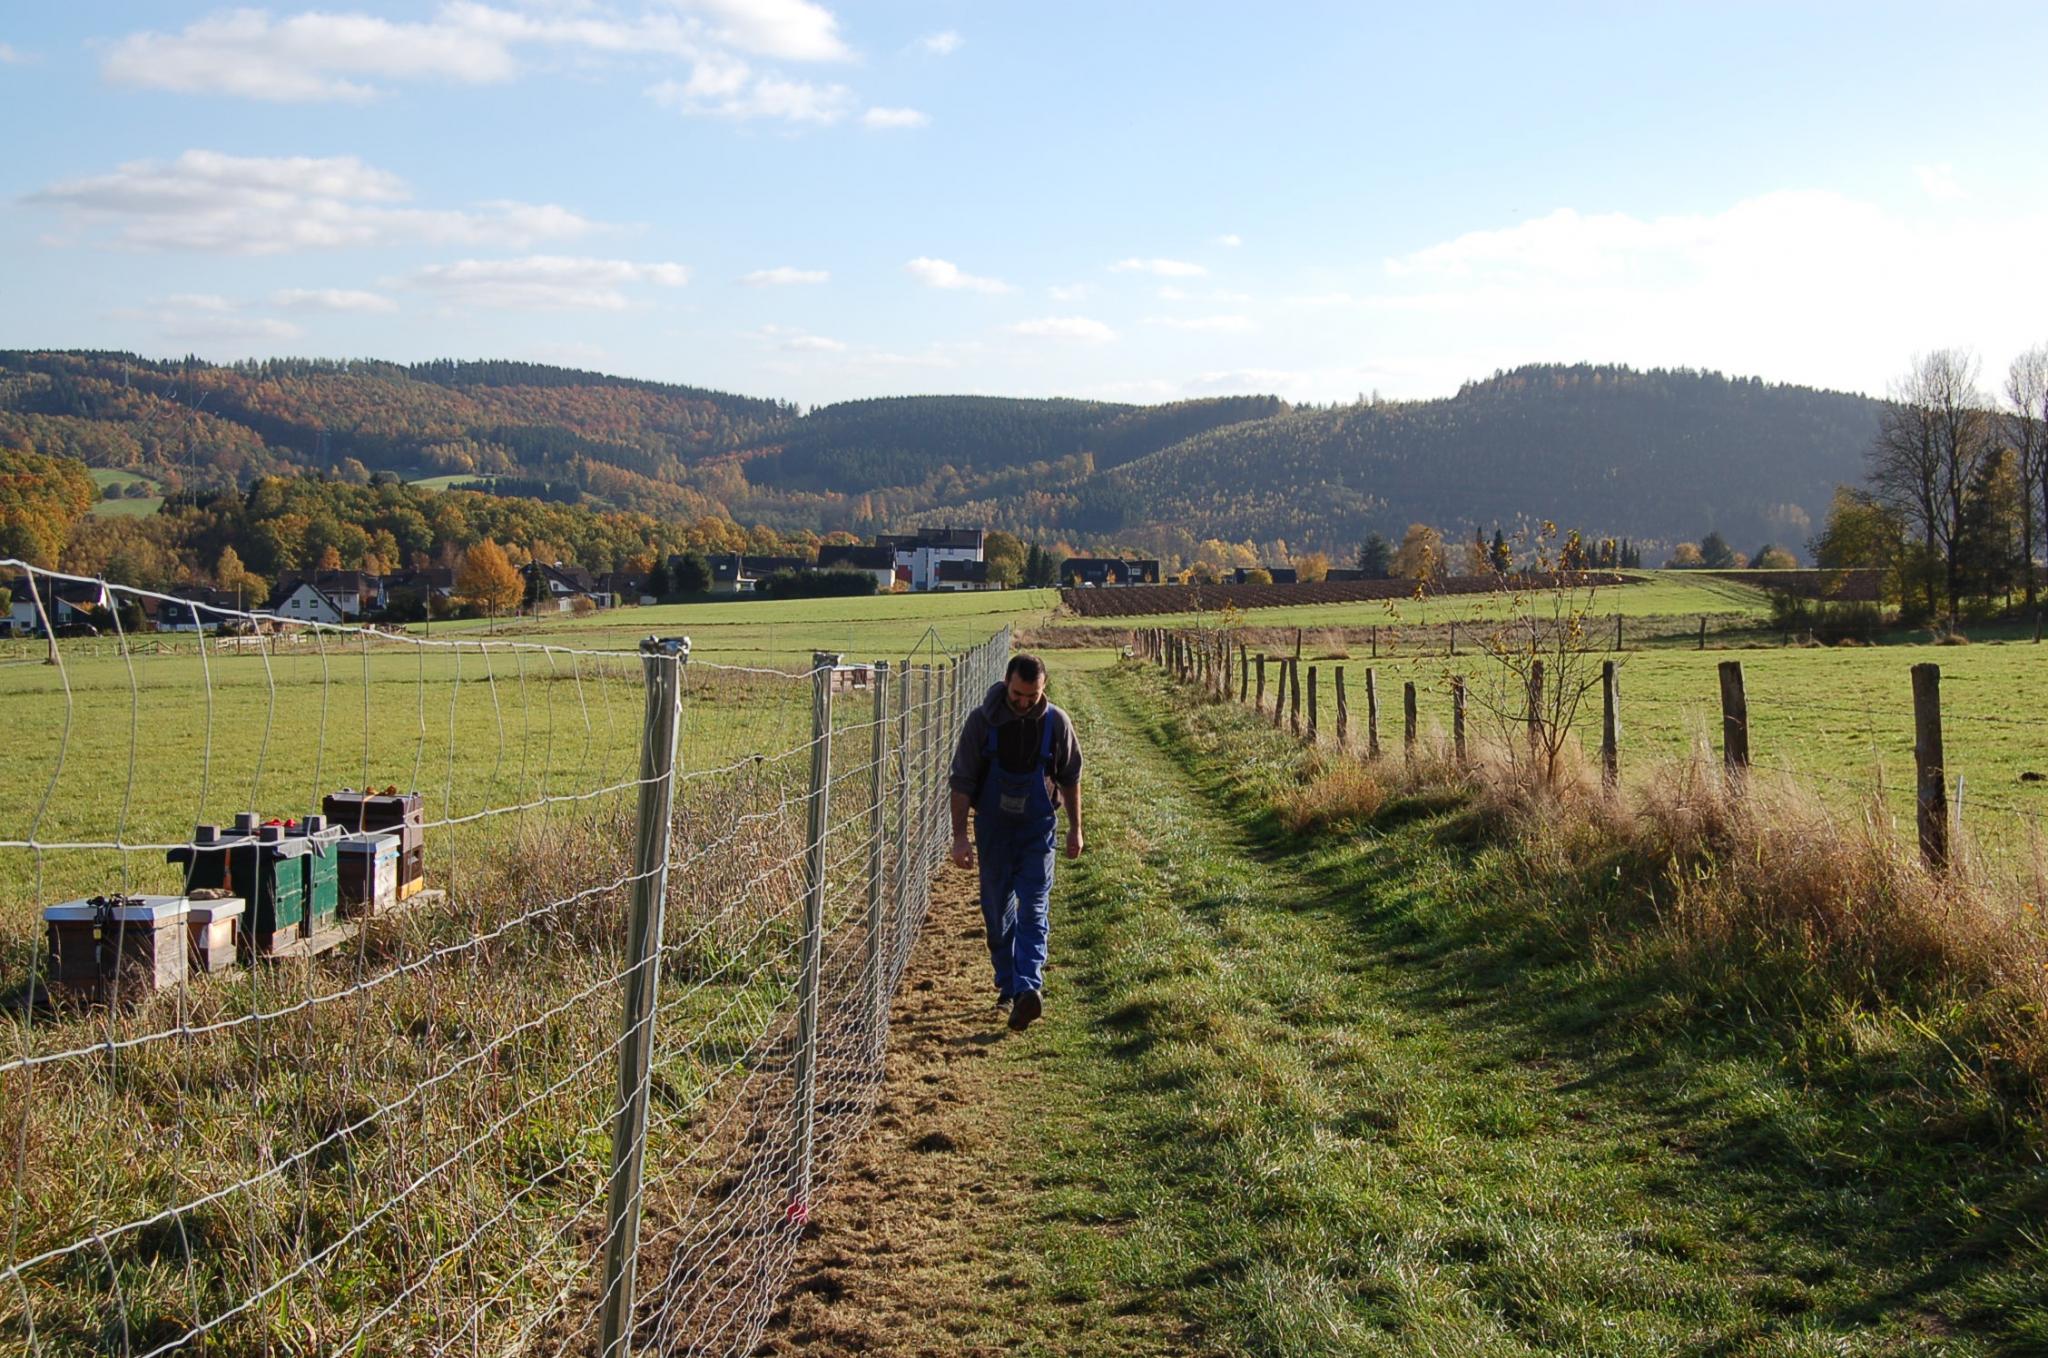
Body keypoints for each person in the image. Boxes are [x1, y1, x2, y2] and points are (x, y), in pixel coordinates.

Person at [948, 652, 1083, 1030]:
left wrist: (1075, 828)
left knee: (1034, 906)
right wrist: (960, 837)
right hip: (992, 830)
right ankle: (1008, 984)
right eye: (1019, 694)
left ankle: (1028, 988)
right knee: (996, 913)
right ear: (1006, 682)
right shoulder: (981, 722)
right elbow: (962, 782)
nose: (1025, 702)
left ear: (1044, 688)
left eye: (1033, 695)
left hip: (1037, 829)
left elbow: (1071, 777)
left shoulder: (1057, 723)